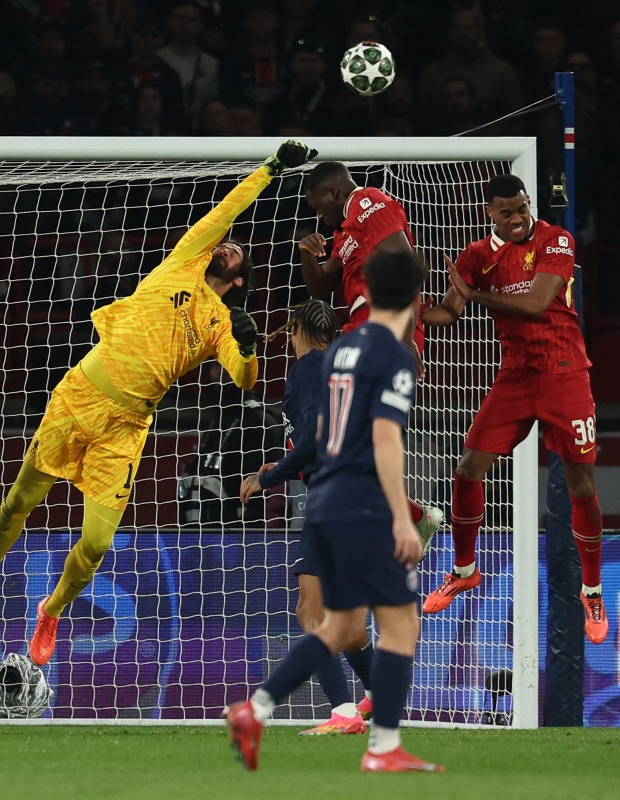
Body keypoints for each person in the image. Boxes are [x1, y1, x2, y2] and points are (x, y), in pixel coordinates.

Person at [0, 140, 318, 666]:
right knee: (19, 501)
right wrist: (269, 170)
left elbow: (244, 380)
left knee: (97, 543)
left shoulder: (221, 321)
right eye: (225, 244)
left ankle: (53, 609)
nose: (227, 245)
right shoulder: (182, 264)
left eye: (237, 251)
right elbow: (226, 210)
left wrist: (247, 347)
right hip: (79, 397)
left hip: (126, 427)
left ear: (239, 280)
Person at [226, 249, 444, 774]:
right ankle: (384, 747)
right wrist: (400, 514)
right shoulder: (395, 355)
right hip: (363, 504)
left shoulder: (344, 349)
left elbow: (320, 433)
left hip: (322, 501)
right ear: (417, 300)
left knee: (339, 625)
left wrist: (276, 475)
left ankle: (253, 709)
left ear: (364, 292)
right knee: (399, 628)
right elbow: (387, 437)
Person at [420, 173, 609, 645]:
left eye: (523, 208)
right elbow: (447, 313)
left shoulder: (556, 239)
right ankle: (464, 570)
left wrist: (474, 295)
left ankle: (592, 589)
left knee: (581, 482)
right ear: (490, 212)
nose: (519, 218)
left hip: (565, 372)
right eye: (507, 212)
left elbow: (538, 302)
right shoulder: (475, 257)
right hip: (516, 376)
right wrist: (399, 309)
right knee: (467, 469)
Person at [239, 299, 376, 734]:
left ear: (294, 327)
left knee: (310, 612)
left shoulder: (305, 371)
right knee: (350, 630)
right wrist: (288, 466)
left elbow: (318, 438)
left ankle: (343, 712)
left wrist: (270, 478)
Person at [298, 160, 442, 540]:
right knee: (345, 437)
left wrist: (406, 335)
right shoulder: (346, 233)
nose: (318, 214)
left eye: (316, 205)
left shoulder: (366, 200)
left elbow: (403, 263)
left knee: (334, 429)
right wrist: (307, 254)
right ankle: (407, 516)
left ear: (332, 192)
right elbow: (320, 288)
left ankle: (392, 517)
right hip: (361, 330)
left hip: (384, 326)